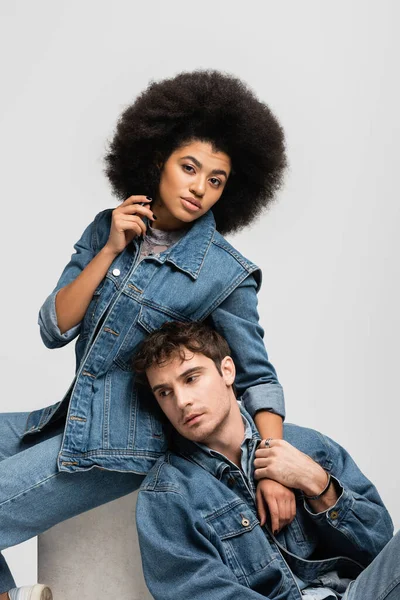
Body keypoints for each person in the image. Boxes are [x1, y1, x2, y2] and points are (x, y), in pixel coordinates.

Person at [0, 70, 291, 599]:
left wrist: (272, 467)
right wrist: (110, 247)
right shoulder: (104, 228)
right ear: (158, 160)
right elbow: (53, 327)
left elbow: (257, 377)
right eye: (190, 168)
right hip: (70, 418)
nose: (200, 188)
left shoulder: (225, 274)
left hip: (123, 447)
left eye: (217, 180)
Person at [134, 321, 396, 600]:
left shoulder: (305, 445)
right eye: (165, 392)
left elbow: (380, 544)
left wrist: (317, 483)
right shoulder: (166, 496)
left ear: (227, 371)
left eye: (191, 378)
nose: (181, 401)